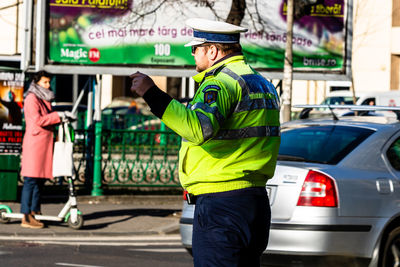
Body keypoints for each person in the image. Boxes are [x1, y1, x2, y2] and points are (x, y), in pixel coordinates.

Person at [130, 18, 280, 267]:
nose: (192, 54)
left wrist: (151, 92)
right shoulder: (262, 83)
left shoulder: (220, 83)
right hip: (254, 200)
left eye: (195, 48)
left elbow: (198, 128)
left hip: (222, 204)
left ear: (212, 51)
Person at [20, 70, 74, 229]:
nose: (48, 85)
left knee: (39, 180)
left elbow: (47, 119)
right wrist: (58, 115)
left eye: (48, 82)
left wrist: (61, 117)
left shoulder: (43, 98)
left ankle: (35, 211)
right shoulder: (32, 98)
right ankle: (26, 215)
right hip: (35, 144)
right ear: (36, 83)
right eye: (45, 82)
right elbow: (37, 120)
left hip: (43, 144)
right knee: (31, 179)